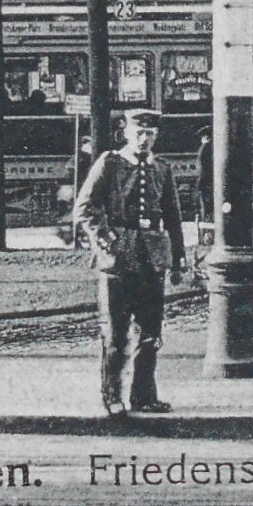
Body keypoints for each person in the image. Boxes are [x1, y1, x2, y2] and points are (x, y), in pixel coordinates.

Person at [70, 108, 187, 417]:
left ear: (156, 136)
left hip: (151, 260)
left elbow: (173, 216)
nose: (144, 139)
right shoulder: (110, 164)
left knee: (151, 334)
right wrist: (104, 236)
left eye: (150, 133)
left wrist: (178, 260)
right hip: (118, 261)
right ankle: (112, 396)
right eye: (139, 133)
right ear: (126, 133)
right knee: (115, 334)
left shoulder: (162, 168)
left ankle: (144, 396)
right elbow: (84, 207)